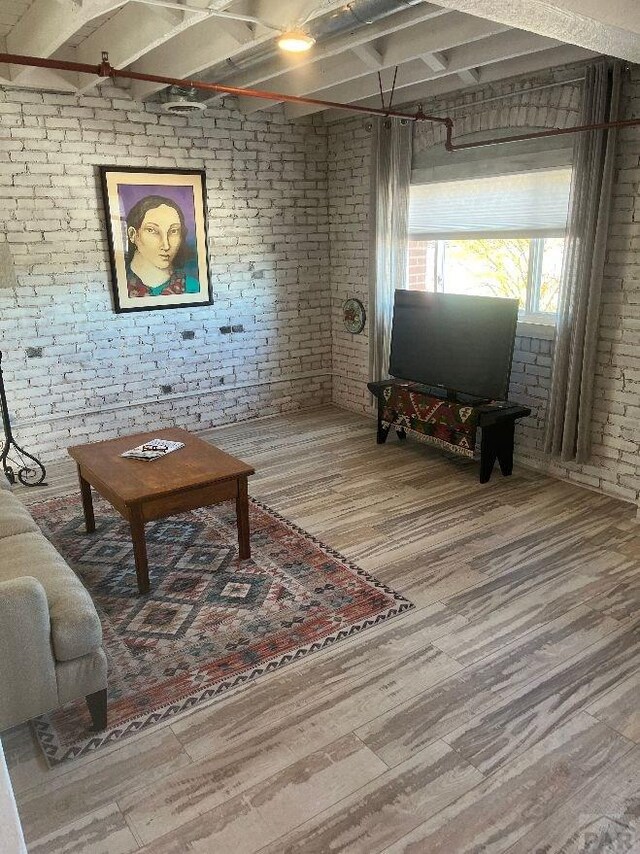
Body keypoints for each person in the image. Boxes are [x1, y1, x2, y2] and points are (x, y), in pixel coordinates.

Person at [124, 194, 200, 297]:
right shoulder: (122, 283)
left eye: (173, 231)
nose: (166, 245)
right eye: (152, 230)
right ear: (133, 234)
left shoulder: (193, 286)